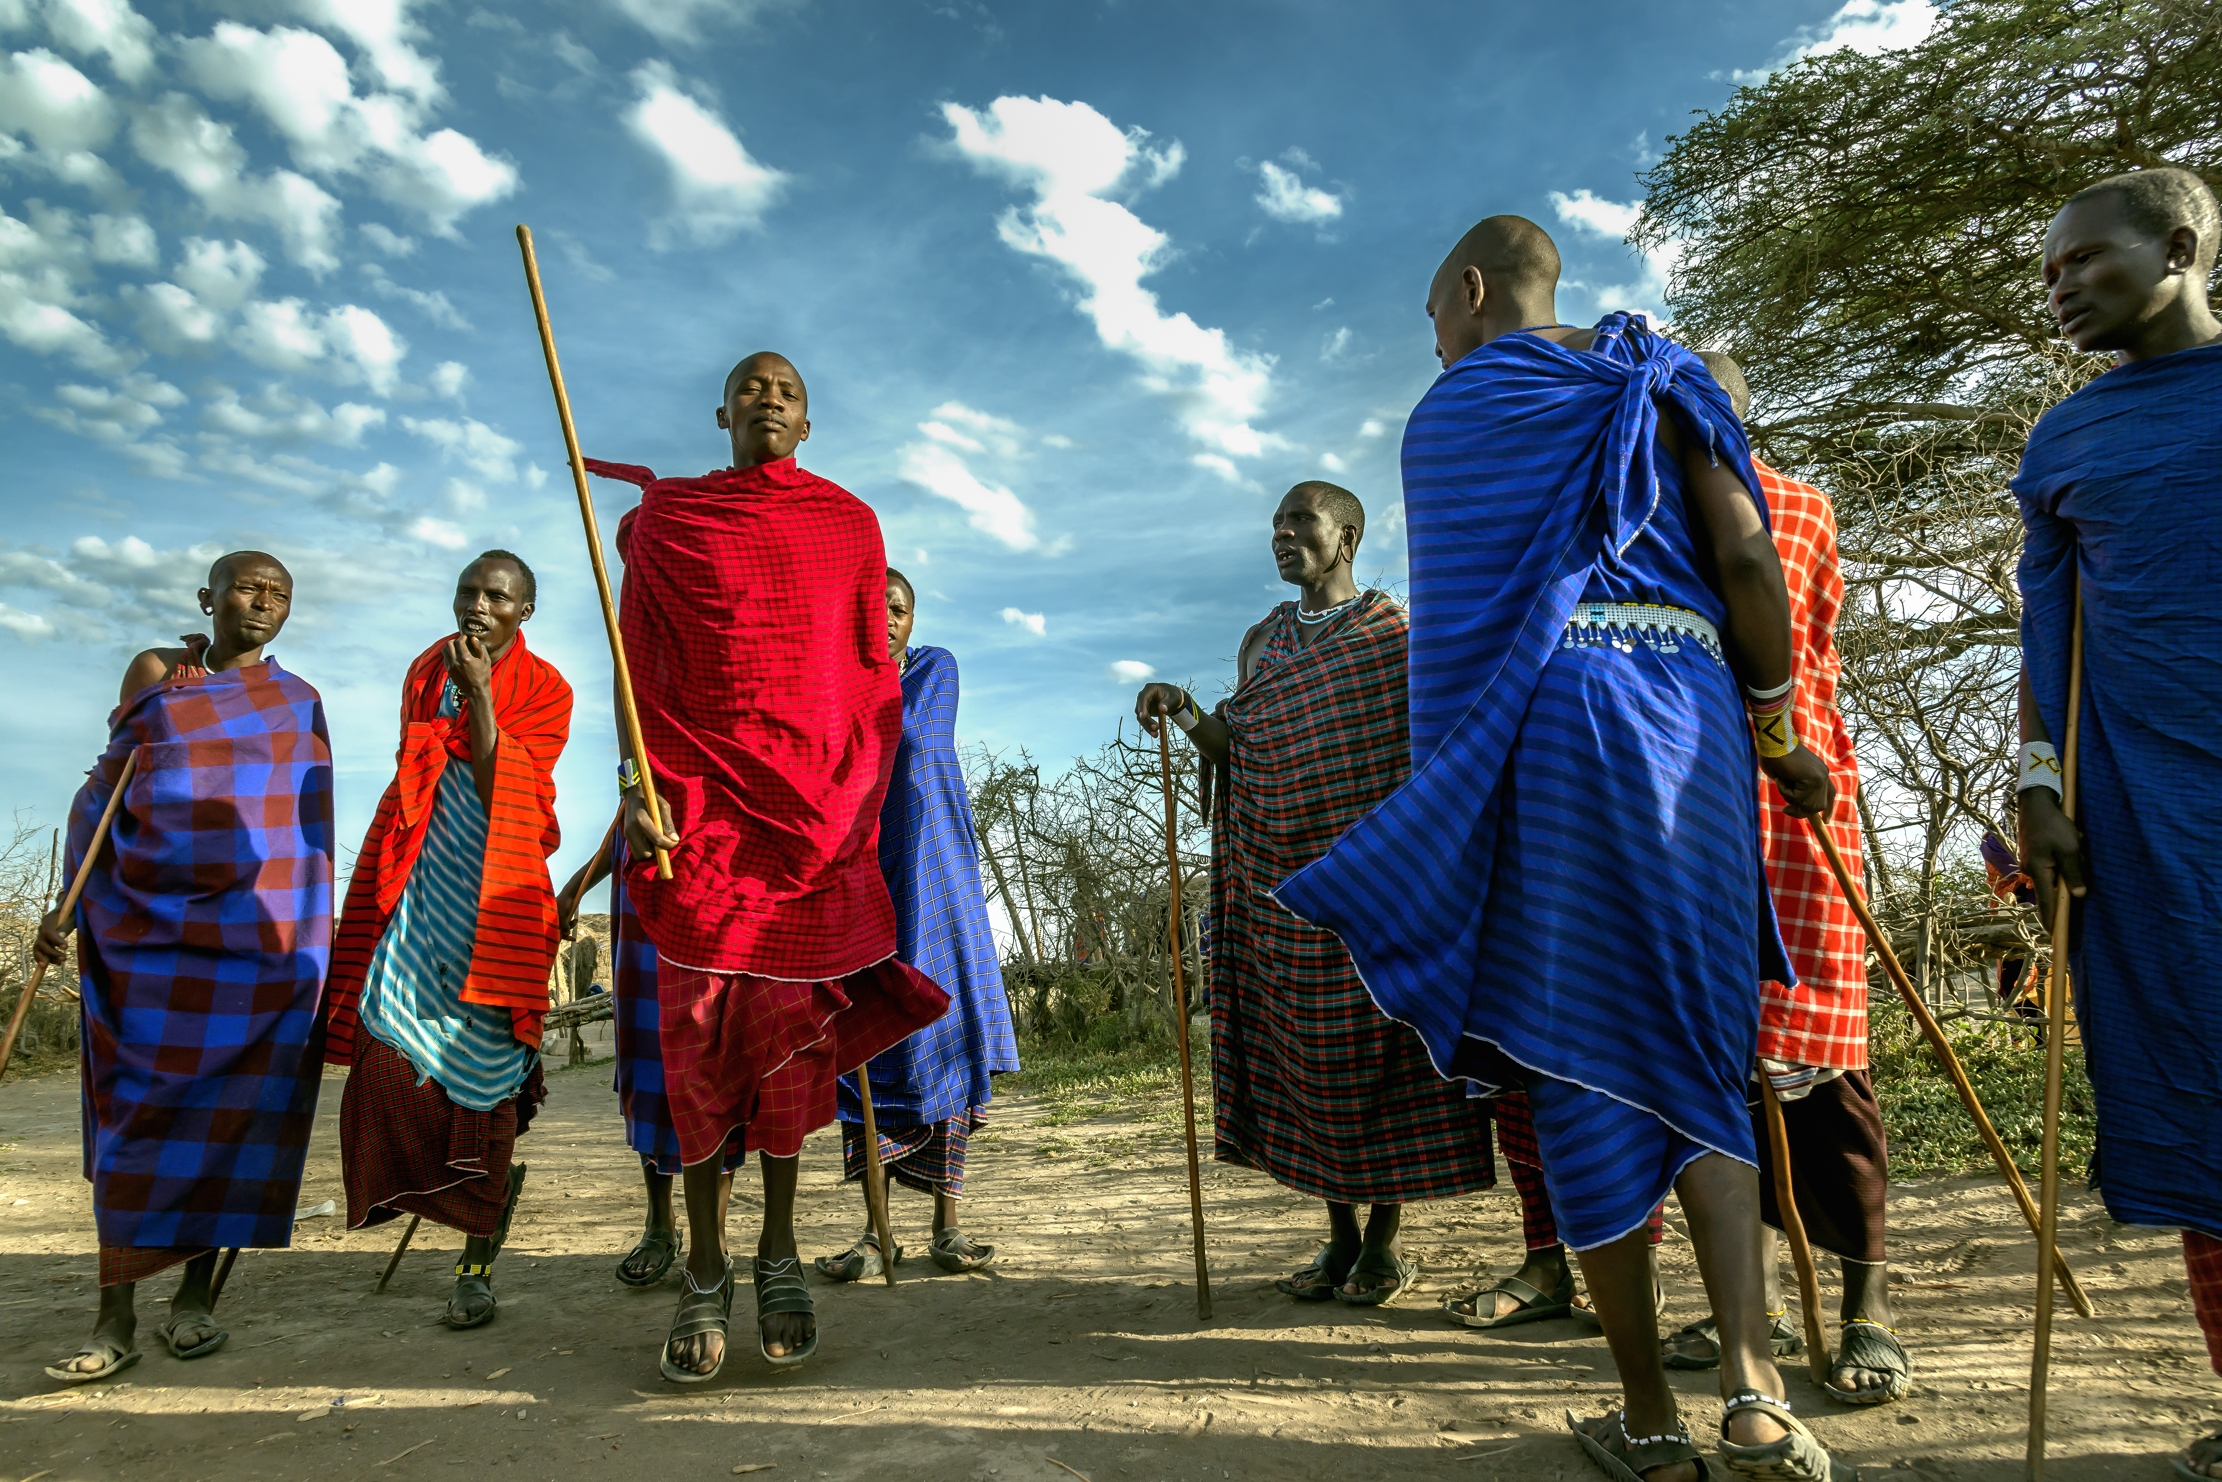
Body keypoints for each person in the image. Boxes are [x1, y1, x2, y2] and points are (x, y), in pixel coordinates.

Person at [1274, 217, 1845, 1482]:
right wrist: (1775, 729)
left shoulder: (1455, 412)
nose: (1434, 343)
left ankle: (1646, 1419)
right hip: (1693, 724)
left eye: (1432, 317)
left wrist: (1451, 809)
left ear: (1469, 292)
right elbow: (1744, 554)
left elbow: (1465, 644)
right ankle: (1755, 1397)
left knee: (1580, 1057)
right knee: (1697, 1049)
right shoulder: (1664, 374)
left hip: (1545, 735)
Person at [584, 351, 948, 1382]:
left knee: (788, 1051)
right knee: (696, 1045)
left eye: (786, 389)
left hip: (809, 824)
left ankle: (778, 1252)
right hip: (699, 819)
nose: (768, 400)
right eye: (751, 387)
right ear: (720, 412)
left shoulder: (847, 526)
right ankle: (706, 1268)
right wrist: (636, 787)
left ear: (809, 419)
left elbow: (870, 679)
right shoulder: (672, 524)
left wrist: (855, 802)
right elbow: (635, 662)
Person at [1135, 480, 1495, 1307]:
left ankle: (1384, 1242)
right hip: (1281, 881)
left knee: (1382, 1049)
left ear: (1348, 536)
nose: (1283, 534)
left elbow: (1427, 746)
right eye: (1275, 523)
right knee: (1307, 1054)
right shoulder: (1261, 644)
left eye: (1301, 520)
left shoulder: (1393, 630)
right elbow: (1240, 746)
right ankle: (1336, 1237)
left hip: (1377, 883)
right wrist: (1187, 708)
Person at [1637, 352, 1903, 1404]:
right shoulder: (1638, 515)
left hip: (1791, 795)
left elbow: (1814, 643)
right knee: (1715, 1067)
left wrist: (1790, 745)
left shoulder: (1798, 508)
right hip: (1683, 801)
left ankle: (1867, 1305)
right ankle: (1749, 1303)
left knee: (1826, 1062)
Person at [2011, 166, 2222, 1482]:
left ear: (2182, 246)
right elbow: (2048, 637)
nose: (2057, 287)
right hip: (2150, 817)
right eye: (2044, 271)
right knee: (2202, 1097)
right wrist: (2038, 783)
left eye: (2081, 259)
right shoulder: (2064, 443)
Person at [36, 552, 333, 1382]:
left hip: (251, 950)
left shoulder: (298, 703)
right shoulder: (160, 676)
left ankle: (195, 1300)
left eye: (280, 594)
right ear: (207, 598)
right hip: (144, 936)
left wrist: (307, 949)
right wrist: (67, 903)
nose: (263, 602)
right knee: (137, 1123)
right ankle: (114, 1317)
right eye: (247, 587)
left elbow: (302, 840)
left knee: (228, 1125)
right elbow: (105, 793)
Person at [323, 551, 572, 1331]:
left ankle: (475, 1261)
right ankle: (431, 1199)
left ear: (523, 613)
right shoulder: (425, 667)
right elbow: (415, 763)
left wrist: (480, 698)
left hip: (495, 900)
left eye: (496, 597)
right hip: (421, 884)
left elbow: (513, 793)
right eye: (468, 591)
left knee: (486, 1084)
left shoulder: (546, 687)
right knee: (385, 1068)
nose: (477, 605)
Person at [814, 569, 1020, 1280]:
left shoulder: (933, 670)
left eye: (897, 610)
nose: (887, 621)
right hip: (861, 890)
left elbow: (902, 736)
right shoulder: (830, 687)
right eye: (871, 611)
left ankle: (947, 1228)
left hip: (936, 889)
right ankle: (876, 1235)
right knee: (867, 1047)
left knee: (945, 1039)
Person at [556, 825, 748, 1289]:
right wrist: (577, 885)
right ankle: (659, 1221)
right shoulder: (637, 758)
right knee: (649, 1054)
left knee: (714, 1051)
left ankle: (714, 1234)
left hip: (716, 864)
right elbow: (630, 804)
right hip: (642, 882)